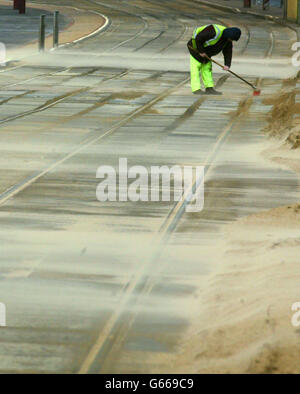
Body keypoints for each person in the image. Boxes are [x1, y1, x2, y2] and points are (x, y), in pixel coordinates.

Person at [187, 24, 241, 95]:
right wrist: (201, 51)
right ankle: (196, 89)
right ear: (228, 36)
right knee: (195, 69)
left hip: (206, 52)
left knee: (207, 69)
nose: (231, 41)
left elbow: (228, 51)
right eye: (231, 39)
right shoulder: (212, 31)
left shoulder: (228, 39)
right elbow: (198, 38)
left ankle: (209, 88)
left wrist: (227, 64)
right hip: (195, 48)